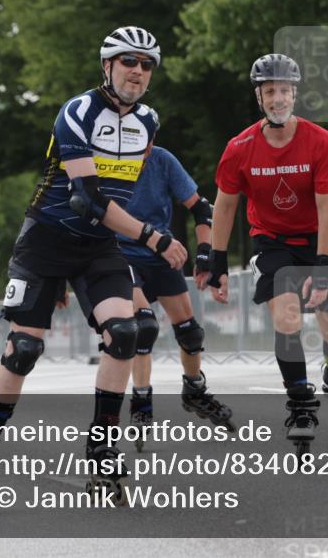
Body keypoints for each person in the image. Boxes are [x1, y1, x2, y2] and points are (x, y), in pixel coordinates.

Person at [0, 26, 188, 515]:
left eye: (146, 64)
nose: (137, 71)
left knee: (127, 333)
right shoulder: (77, 112)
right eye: (127, 61)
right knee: (23, 349)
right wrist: (152, 236)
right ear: (106, 66)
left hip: (97, 248)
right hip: (45, 242)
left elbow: (118, 198)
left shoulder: (149, 121)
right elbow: (87, 199)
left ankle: (101, 450)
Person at [206, 53, 328, 456]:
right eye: (270, 92)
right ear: (259, 97)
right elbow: (225, 206)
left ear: (295, 94)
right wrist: (216, 262)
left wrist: (321, 270)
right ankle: (300, 402)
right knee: (286, 315)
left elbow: (326, 208)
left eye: (284, 91)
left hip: (321, 237)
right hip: (274, 241)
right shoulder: (240, 147)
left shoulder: (321, 142)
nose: (277, 99)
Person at [105, 144, 235, 450]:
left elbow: (202, 208)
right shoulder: (107, 160)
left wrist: (205, 255)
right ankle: (141, 404)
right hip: (120, 254)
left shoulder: (163, 159)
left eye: (149, 142)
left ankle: (195, 390)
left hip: (161, 253)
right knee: (143, 327)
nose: (143, 150)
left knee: (190, 333)